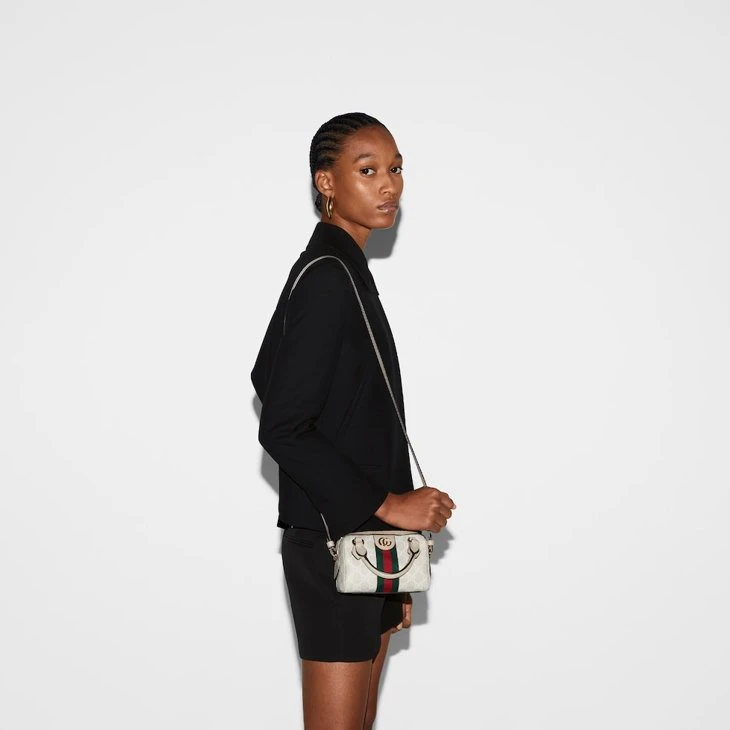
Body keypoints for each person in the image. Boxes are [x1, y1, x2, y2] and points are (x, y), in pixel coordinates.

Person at [251, 112, 455, 730]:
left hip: (366, 548)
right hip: (335, 546)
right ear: (327, 183)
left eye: (395, 168)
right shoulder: (328, 279)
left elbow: (267, 376)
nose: (389, 184)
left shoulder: (340, 270)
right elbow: (282, 425)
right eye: (367, 170)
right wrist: (390, 504)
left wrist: (393, 544)